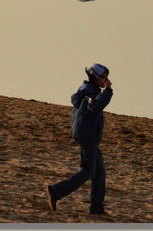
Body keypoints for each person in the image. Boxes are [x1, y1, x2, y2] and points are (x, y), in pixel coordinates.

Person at [46, 63, 113, 216]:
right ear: (96, 77)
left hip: (89, 136)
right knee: (88, 171)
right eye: (104, 78)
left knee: (99, 172)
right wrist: (108, 91)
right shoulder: (89, 92)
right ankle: (56, 191)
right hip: (87, 136)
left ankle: (96, 209)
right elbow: (95, 106)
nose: (106, 81)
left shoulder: (90, 90)